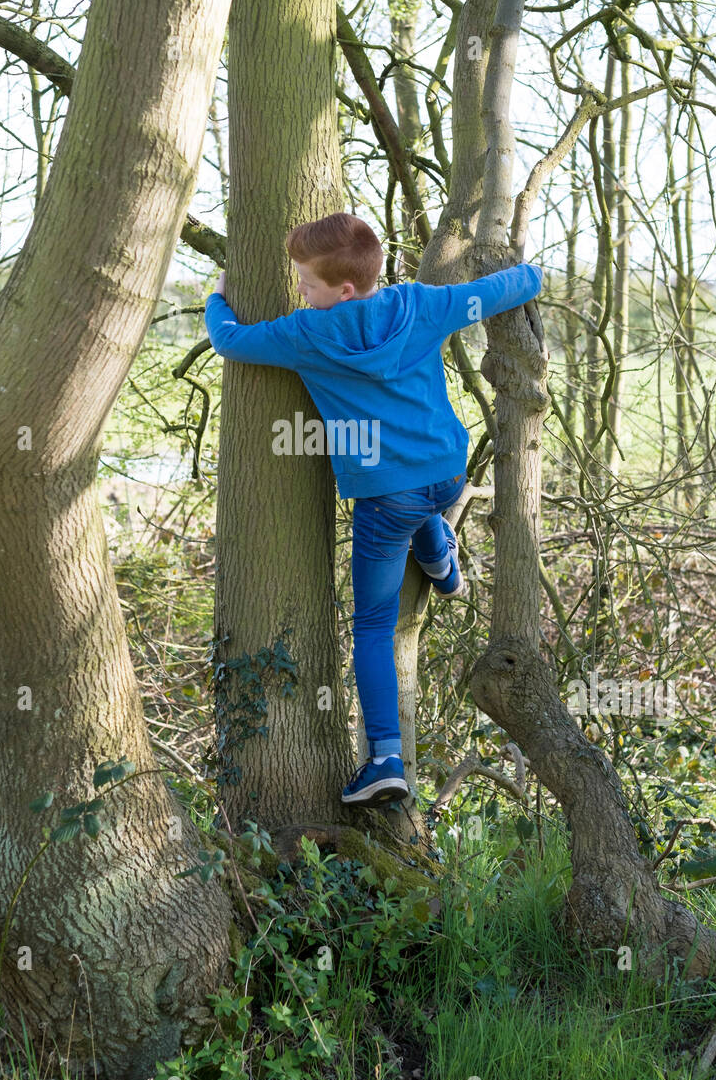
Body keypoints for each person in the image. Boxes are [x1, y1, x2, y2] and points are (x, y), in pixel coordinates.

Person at [204, 212, 543, 808]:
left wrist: (217, 296)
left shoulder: (305, 335)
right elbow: (504, 289)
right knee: (427, 507)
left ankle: (385, 757)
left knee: (372, 625)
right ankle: (442, 562)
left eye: (306, 284)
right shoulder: (423, 306)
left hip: (387, 500)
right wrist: (530, 271)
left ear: (345, 290)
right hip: (447, 475)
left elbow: (229, 340)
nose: (300, 293)